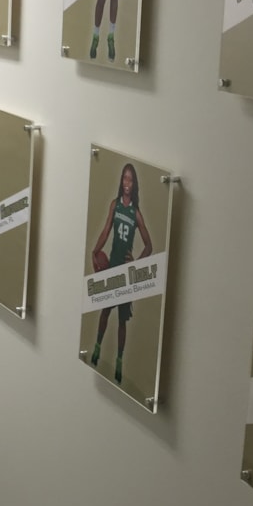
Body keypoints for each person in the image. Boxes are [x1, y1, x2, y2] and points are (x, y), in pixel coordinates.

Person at [89, 162, 152, 385]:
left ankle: (118, 360)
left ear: (134, 184)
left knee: (122, 321)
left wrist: (136, 264)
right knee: (105, 312)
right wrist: (95, 250)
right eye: (124, 178)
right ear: (121, 181)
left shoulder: (136, 213)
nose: (127, 182)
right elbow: (106, 230)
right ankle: (97, 347)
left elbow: (149, 246)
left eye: (130, 179)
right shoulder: (115, 205)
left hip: (125, 272)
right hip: (112, 266)